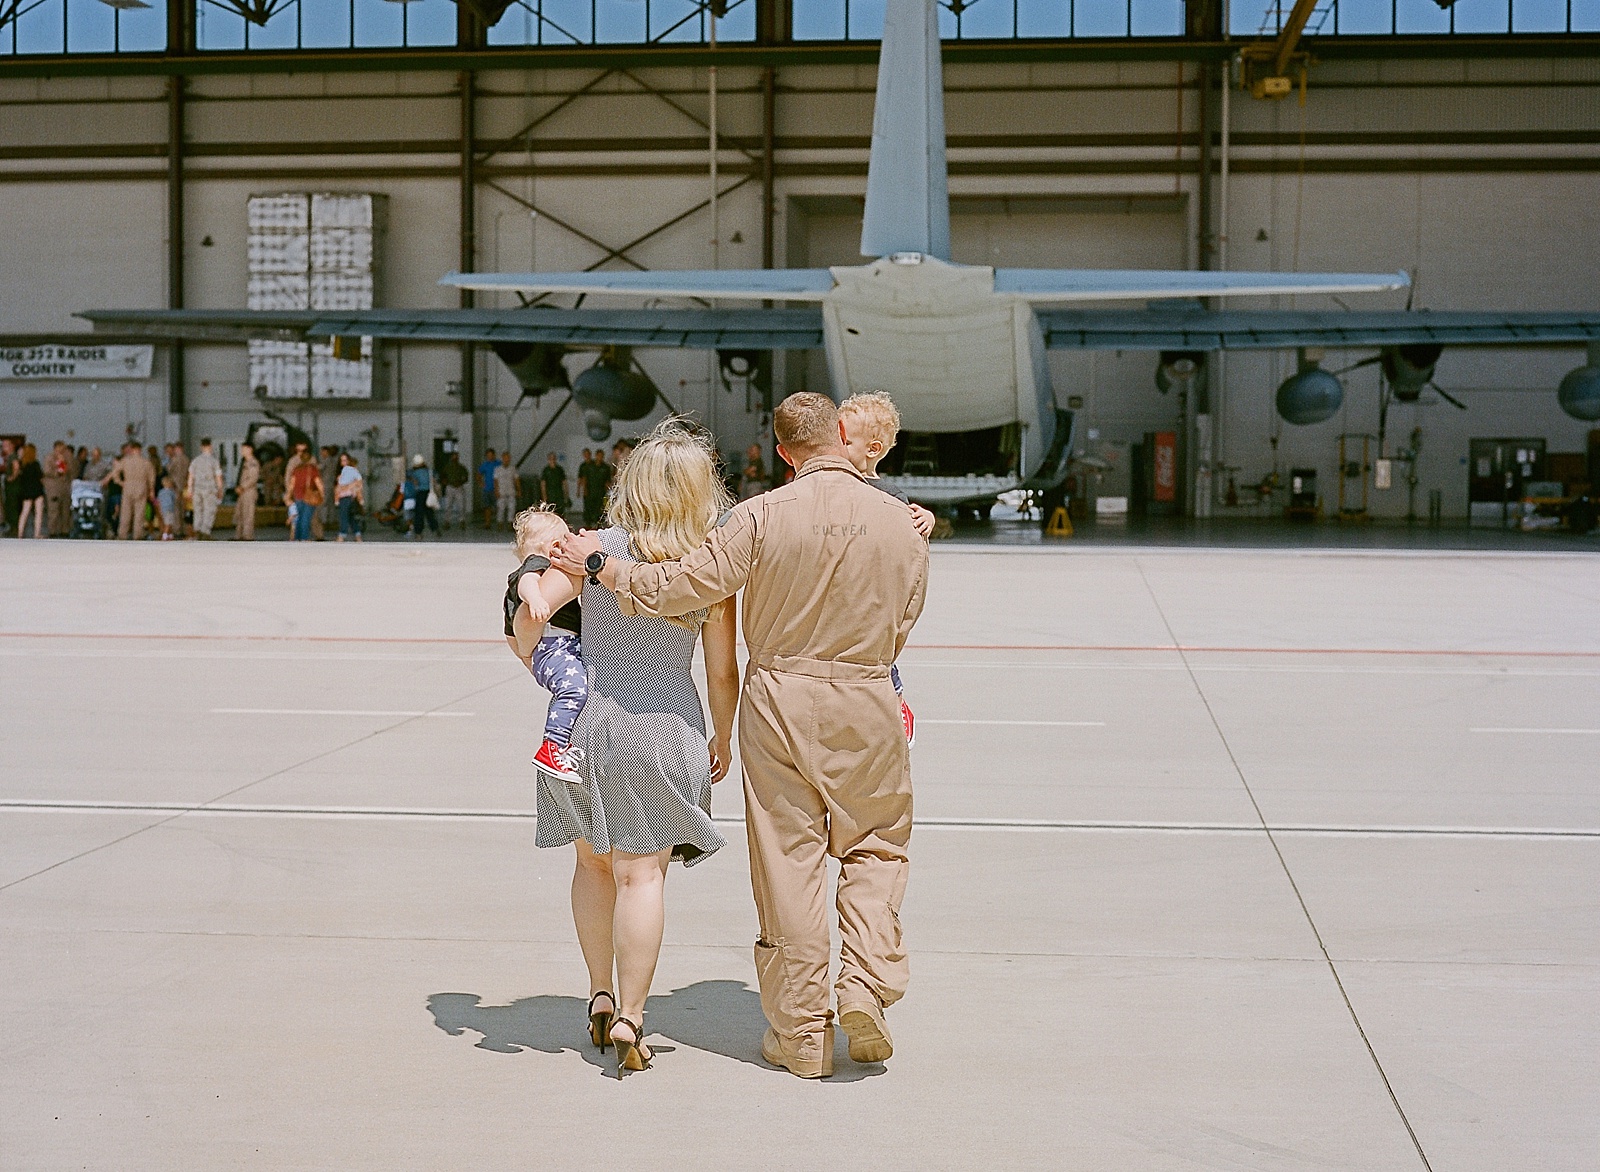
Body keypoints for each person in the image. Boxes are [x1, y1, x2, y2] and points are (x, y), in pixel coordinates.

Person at [555, 393, 928, 1079]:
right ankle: (866, 985)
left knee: (790, 862)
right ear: (845, 435)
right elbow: (906, 615)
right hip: (867, 695)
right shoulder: (903, 522)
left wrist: (606, 570)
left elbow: (686, 586)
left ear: (783, 452)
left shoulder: (755, 518)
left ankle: (801, 1036)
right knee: (876, 847)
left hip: (780, 699)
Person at [525, 420, 740, 1079]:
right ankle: (633, 1016)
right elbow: (723, 670)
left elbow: (533, 616)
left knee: (593, 867)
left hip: (589, 722)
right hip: (667, 726)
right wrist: (722, 737)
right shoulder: (711, 560)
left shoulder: (599, 550)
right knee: (642, 876)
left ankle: (598, 993)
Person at [839, 392, 936, 745]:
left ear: (873, 449)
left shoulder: (892, 494)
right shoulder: (832, 483)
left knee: (879, 660)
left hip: (872, 593)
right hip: (841, 589)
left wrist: (927, 518)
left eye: (845, 441)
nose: (836, 447)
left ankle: (897, 703)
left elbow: (908, 540)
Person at [503, 506, 587, 781]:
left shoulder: (526, 575)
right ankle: (553, 746)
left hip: (548, 649)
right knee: (574, 690)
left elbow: (510, 635)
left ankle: (561, 746)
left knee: (572, 689)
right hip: (554, 645)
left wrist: (527, 658)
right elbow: (528, 582)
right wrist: (537, 600)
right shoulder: (536, 567)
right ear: (553, 547)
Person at [108, 441, 156, 540]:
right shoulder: (146, 462)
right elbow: (152, 477)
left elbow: (115, 473)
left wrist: (120, 482)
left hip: (128, 486)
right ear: (140, 450)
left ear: (132, 449)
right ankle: (137, 535)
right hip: (141, 486)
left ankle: (122, 534)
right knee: (139, 513)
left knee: (125, 512)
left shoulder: (125, 461)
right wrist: (151, 490)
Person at [187, 437, 224, 540]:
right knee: (209, 510)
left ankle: (197, 529)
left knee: (198, 510)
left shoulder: (195, 460)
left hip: (197, 489)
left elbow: (191, 476)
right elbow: (218, 477)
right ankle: (205, 531)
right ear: (210, 447)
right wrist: (220, 489)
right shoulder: (214, 461)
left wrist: (190, 490)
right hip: (210, 489)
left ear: (201, 447)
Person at [287, 452, 325, 542]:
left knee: (298, 518)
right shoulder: (313, 469)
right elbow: (318, 483)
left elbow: (292, 483)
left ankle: (297, 537)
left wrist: (288, 495)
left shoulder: (296, 469)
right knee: (306, 518)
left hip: (298, 496)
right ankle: (304, 537)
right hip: (309, 497)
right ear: (310, 459)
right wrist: (322, 494)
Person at [14, 443, 45, 538]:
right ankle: (37, 534)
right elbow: (41, 477)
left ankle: (20, 533)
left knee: (24, 512)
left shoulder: (22, 464)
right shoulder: (35, 464)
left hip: (26, 490)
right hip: (37, 490)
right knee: (38, 513)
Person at [405, 454, 439, 539]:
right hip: (428, 493)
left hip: (420, 494)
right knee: (429, 513)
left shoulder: (414, 473)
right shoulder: (430, 471)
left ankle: (418, 533)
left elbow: (414, 482)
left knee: (419, 514)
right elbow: (435, 480)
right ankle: (435, 529)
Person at [42, 441, 72, 537]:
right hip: (53, 488)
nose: (62, 450)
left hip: (65, 487)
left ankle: (64, 530)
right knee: (53, 510)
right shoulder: (49, 457)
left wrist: (65, 463)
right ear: (56, 448)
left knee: (65, 510)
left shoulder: (67, 457)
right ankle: (52, 531)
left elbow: (72, 470)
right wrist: (57, 469)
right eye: (61, 448)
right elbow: (47, 471)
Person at [333, 452, 365, 542]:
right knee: (351, 518)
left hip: (347, 497)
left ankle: (342, 535)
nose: (344, 462)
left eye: (345, 460)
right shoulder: (346, 472)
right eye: (342, 461)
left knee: (344, 516)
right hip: (347, 497)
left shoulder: (350, 472)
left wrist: (359, 497)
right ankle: (357, 535)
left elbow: (357, 485)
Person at [234, 442, 260, 541]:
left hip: (248, 492)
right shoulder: (244, 462)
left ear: (250, 449)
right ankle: (239, 535)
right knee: (240, 514)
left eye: (244, 449)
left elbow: (253, 478)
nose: (242, 451)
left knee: (248, 514)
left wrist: (242, 487)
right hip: (242, 492)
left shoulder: (253, 463)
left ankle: (247, 536)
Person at [581, 448, 613, 527]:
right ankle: (588, 523)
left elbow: (608, 481)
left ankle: (597, 523)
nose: (600, 457)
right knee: (589, 507)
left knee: (599, 508)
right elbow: (584, 478)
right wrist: (584, 489)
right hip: (590, 490)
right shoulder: (589, 466)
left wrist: (609, 492)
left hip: (600, 491)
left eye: (601, 456)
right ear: (595, 456)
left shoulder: (606, 467)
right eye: (598, 456)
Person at [164, 443, 188, 538]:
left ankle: (177, 530)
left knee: (176, 509)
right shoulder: (186, 459)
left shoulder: (174, 459)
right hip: (183, 486)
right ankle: (183, 529)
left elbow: (169, 469)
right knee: (183, 509)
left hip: (175, 486)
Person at [316, 445, 340, 541]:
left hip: (325, 484)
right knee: (330, 504)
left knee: (323, 503)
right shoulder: (334, 460)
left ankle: (323, 521)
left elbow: (319, 469)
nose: (321, 454)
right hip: (331, 484)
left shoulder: (326, 460)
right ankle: (331, 520)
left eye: (323, 452)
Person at [441, 452, 469, 530]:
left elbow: (466, 477)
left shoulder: (461, 467)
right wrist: (445, 482)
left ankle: (462, 521)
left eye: (456, 457)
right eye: (453, 457)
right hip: (450, 487)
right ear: (451, 458)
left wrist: (460, 482)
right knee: (448, 505)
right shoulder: (447, 467)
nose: (455, 458)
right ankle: (447, 521)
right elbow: (442, 476)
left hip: (459, 487)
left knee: (461, 505)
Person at [539, 452, 570, 516]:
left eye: (554, 458)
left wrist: (566, 494)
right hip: (550, 494)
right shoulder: (546, 470)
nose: (552, 460)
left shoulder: (559, 469)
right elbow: (543, 484)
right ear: (548, 459)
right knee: (551, 512)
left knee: (560, 511)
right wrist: (544, 496)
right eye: (551, 458)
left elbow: (564, 482)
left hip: (559, 494)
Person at [493, 451, 518, 529]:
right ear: (502, 458)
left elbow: (516, 479)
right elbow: (495, 481)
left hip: (511, 491)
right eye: (505, 458)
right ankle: (500, 523)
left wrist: (518, 489)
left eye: (508, 458)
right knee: (501, 508)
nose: (506, 459)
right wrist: (496, 490)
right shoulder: (497, 469)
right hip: (501, 491)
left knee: (512, 508)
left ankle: (510, 523)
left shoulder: (513, 468)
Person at [478, 447, 500, 528]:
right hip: (487, 489)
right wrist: (481, 483)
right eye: (488, 455)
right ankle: (488, 523)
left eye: (491, 455)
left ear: (494, 455)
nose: (490, 457)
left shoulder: (498, 464)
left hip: (497, 489)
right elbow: (478, 474)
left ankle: (499, 523)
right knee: (487, 507)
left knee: (498, 507)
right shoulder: (485, 465)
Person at [155, 474, 179, 540]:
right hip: (169, 509)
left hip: (162, 509)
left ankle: (170, 535)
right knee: (168, 523)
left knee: (167, 522)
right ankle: (165, 535)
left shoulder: (161, 492)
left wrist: (158, 508)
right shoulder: (171, 492)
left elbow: (157, 501)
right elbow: (176, 498)